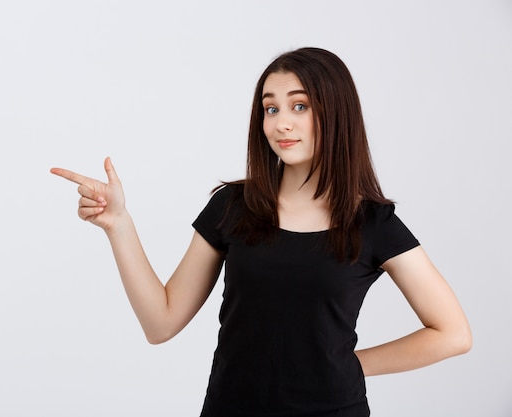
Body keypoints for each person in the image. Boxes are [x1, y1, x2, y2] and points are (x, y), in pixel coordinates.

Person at [50, 47, 472, 417]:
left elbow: (453, 333)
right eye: (271, 108)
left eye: (299, 106)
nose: (281, 123)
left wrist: (352, 363)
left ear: (336, 112)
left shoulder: (372, 223)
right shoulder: (232, 207)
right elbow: (160, 323)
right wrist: (119, 225)